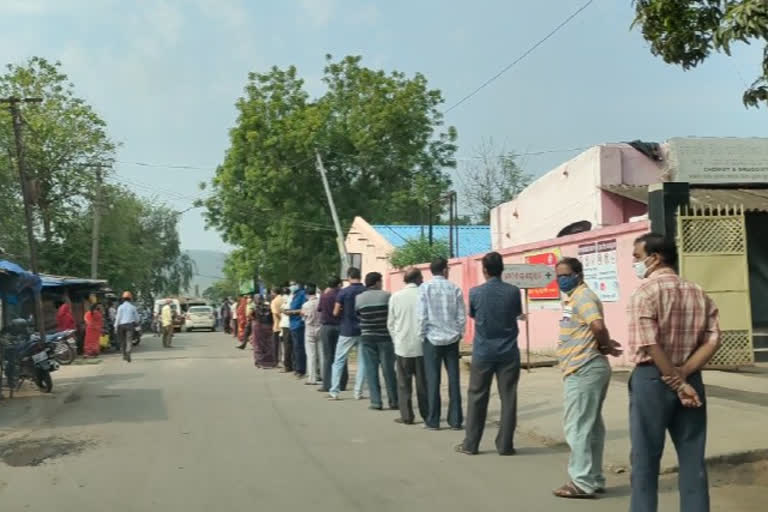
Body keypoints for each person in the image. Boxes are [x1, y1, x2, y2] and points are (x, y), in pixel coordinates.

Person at [628, 233, 720, 512]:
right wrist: (684, 376)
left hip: (652, 379)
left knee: (645, 458)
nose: (635, 263)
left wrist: (674, 379)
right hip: (691, 378)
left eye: (637, 257)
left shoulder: (645, 293)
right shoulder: (697, 291)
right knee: (693, 457)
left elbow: (650, 343)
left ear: (654, 258)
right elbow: (713, 339)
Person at [551, 257, 622, 498]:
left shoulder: (582, 296)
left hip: (584, 367)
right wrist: (604, 345)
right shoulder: (573, 299)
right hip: (584, 367)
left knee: (578, 426)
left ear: (578, 275)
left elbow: (598, 326)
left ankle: (581, 482)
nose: (561, 279)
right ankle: (593, 478)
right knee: (591, 426)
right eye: (558, 275)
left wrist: (606, 346)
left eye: (565, 274)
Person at [455, 252, 522, 454]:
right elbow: (516, 313)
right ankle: (505, 445)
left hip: (483, 351)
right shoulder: (513, 292)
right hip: (508, 351)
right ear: (502, 269)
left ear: (484, 270)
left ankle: (471, 443)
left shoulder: (475, 292)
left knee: (477, 395)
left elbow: (473, 315)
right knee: (508, 396)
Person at [419, 257, 466, 430]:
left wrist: (422, 335)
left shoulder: (425, 288)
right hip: (452, 339)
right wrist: (460, 333)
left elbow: (422, 315)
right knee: (454, 379)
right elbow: (461, 315)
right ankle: (455, 420)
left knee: (433, 380)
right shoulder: (454, 288)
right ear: (445, 270)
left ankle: (433, 420)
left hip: (432, 339)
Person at [388, 268, 428, 425]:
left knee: (404, 384)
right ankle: (427, 415)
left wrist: (396, 340)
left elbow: (390, 323)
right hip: (422, 346)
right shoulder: (423, 295)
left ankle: (407, 416)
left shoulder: (395, 297)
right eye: (422, 277)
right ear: (417, 279)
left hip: (402, 346)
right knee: (423, 384)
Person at [356, 272, 397, 411]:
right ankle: (394, 401)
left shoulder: (359, 298)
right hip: (385, 337)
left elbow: (358, 315)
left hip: (367, 337)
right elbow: (392, 315)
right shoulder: (387, 296)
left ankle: (376, 402)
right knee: (388, 370)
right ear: (377, 282)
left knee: (371, 370)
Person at [328, 267, 367, 401]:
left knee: (339, 360)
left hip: (347, 330)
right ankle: (358, 392)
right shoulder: (366, 291)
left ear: (349, 277)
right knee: (362, 362)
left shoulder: (343, 292)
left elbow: (335, 312)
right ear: (360, 276)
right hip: (363, 330)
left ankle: (334, 391)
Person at [318, 276, 346, 393]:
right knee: (341, 355)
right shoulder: (342, 294)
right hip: (340, 325)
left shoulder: (324, 295)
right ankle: (341, 382)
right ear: (339, 284)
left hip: (326, 326)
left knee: (328, 356)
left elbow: (319, 309)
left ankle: (327, 384)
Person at [301, 284, 323, 384]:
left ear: (306, 294)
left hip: (309, 330)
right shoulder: (320, 302)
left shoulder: (305, 305)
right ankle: (324, 376)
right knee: (322, 354)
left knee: (311, 355)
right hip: (320, 328)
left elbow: (303, 317)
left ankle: (312, 378)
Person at [287, 282, 308, 378]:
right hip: (293, 324)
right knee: (295, 348)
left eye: (293, 284)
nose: (291, 286)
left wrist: (292, 312)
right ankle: (296, 367)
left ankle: (301, 369)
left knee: (299, 348)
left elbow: (304, 309)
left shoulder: (302, 294)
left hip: (299, 324)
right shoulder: (294, 295)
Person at [252, 293, 277, 368]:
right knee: (269, 344)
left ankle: (260, 362)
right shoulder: (268, 306)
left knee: (259, 345)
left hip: (259, 327)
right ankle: (270, 362)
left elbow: (250, 315)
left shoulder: (255, 307)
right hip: (269, 326)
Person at [115, 291, 139, 363]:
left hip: (121, 326)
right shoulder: (133, 307)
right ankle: (128, 351)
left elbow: (118, 318)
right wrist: (136, 323)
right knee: (129, 340)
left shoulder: (120, 307)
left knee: (122, 341)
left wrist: (115, 326)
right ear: (130, 299)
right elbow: (137, 318)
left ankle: (124, 355)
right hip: (130, 325)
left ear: (123, 299)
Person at [280, 286, 294, 372]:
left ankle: (287, 366)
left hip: (287, 325)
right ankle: (289, 365)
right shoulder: (289, 298)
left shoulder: (288, 299)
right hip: (287, 324)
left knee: (287, 346)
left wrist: (283, 310)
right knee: (289, 346)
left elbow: (283, 310)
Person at [270, 287, 283, 367]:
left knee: (276, 345)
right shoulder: (283, 299)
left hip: (277, 325)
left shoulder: (274, 301)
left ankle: (276, 361)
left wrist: (281, 319)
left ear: (274, 292)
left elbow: (276, 313)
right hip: (285, 325)